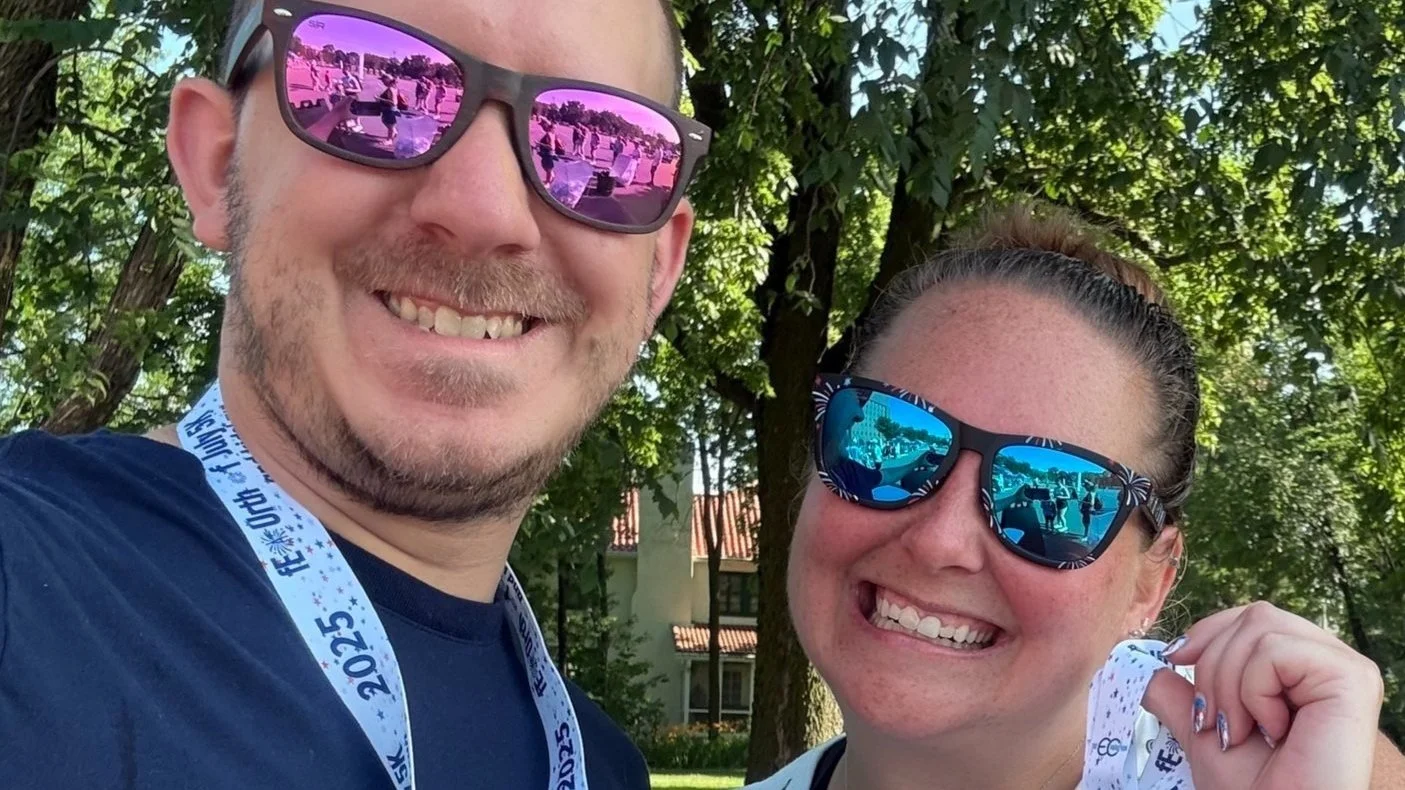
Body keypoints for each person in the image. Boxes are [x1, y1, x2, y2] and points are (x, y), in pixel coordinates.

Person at [0, 0, 707, 788]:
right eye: (375, 88)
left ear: (658, 272)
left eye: (602, 149)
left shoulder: (601, 769)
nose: (483, 210)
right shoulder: (20, 591)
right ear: (215, 163)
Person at [749, 204, 1404, 790]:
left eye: (1051, 496)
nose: (939, 539)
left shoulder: (1300, 767)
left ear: (1148, 586)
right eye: (885, 441)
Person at [379, 73, 401, 146]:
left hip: (390, 110)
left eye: (383, 80)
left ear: (387, 80)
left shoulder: (390, 89)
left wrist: (380, 99)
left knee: (390, 126)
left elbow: (393, 102)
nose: (382, 82)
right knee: (388, 124)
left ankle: (389, 140)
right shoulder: (393, 88)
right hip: (389, 109)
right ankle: (394, 133)